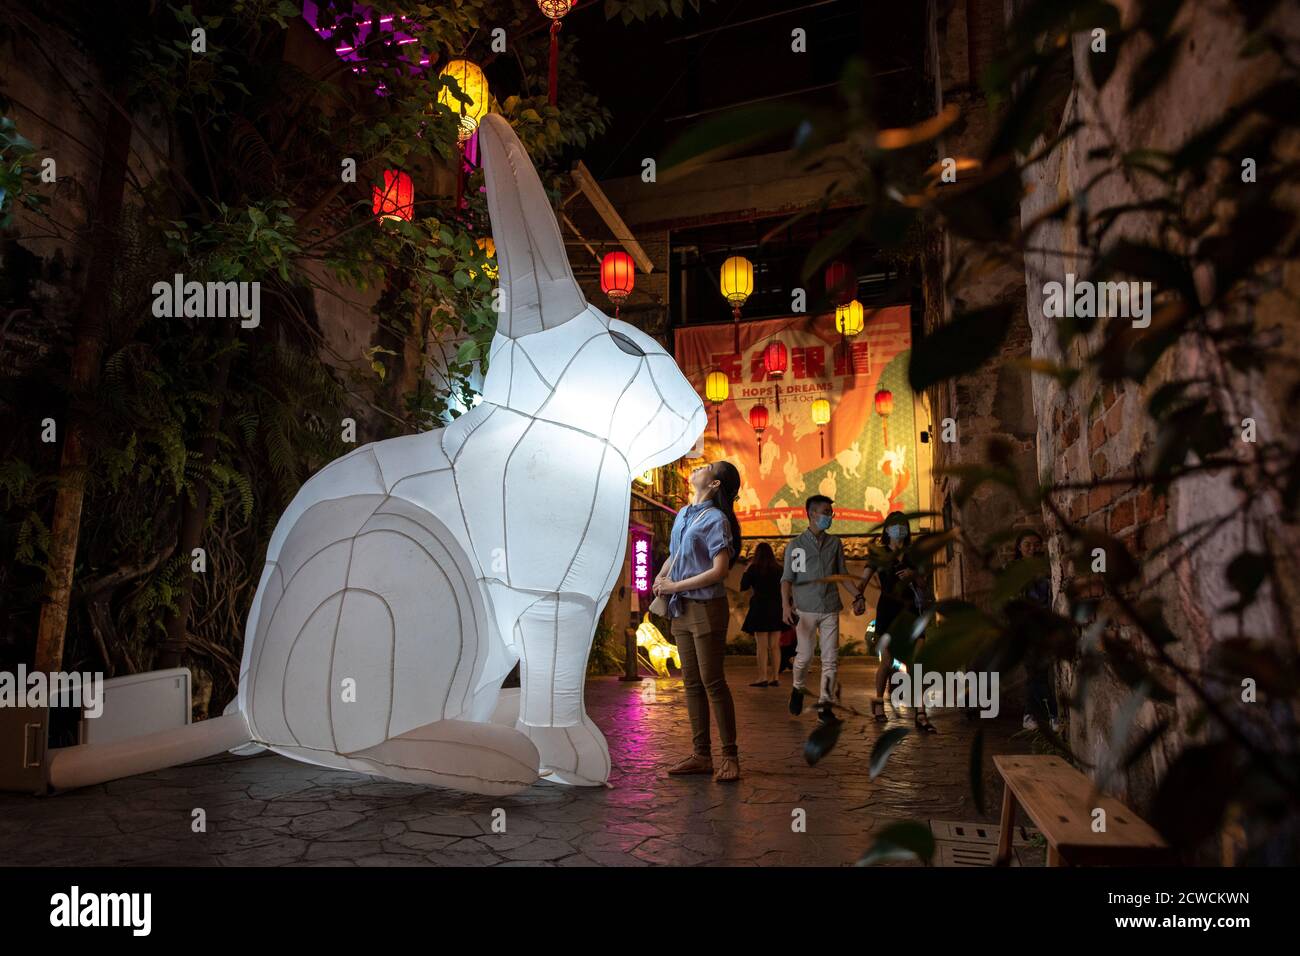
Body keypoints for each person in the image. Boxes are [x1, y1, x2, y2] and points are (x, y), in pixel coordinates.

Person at [653, 460, 743, 783]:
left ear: (716, 484)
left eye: (709, 466)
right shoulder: (683, 514)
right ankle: (701, 754)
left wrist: (674, 585)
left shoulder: (717, 520)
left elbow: (720, 570)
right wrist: (662, 576)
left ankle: (730, 755)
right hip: (682, 609)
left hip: (707, 607)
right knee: (691, 682)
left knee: (713, 681)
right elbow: (676, 554)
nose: (700, 466)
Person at [851, 513, 936, 732]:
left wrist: (913, 574)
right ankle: (878, 704)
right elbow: (864, 580)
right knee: (887, 662)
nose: (899, 529)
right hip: (888, 612)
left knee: (917, 664)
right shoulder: (878, 554)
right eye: (894, 526)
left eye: (902, 526)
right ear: (886, 530)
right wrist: (857, 597)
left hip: (911, 613)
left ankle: (921, 713)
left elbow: (923, 583)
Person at [781, 494, 849, 723]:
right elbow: (787, 579)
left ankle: (825, 707)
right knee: (805, 656)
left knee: (830, 659)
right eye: (826, 513)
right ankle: (798, 688)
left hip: (830, 606)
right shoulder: (796, 545)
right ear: (811, 514)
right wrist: (785, 606)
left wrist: (858, 594)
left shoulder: (835, 543)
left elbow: (842, 575)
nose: (830, 517)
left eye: (831, 513)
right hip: (805, 609)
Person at [1015, 530, 1059, 733]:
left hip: (1044, 627)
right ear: (1019, 548)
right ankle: (1052, 715)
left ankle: (1029, 714)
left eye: (1036, 544)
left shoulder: (1047, 568)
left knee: (1036, 674)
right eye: (1027, 545)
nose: (1032, 548)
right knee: (1036, 673)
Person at [740, 542, 784, 687]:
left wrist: (746, 570)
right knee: (775, 645)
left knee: (762, 646)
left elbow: (743, 586)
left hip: (759, 608)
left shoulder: (754, 568)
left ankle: (762, 677)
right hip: (776, 608)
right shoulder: (779, 569)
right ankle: (775, 677)